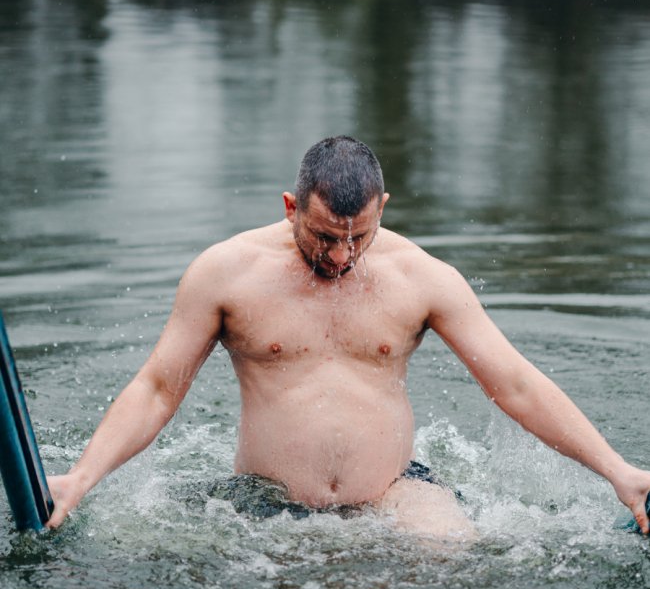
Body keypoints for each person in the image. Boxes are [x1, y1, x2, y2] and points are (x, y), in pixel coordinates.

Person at [46, 136, 650, 538]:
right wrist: (79, 480)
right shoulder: (226, 274)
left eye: (358, 237)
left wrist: (618, 472)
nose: (341, 256)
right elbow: (157, 388)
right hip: (267, 506)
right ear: (291, 207)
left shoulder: (422, 277)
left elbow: (515, 383)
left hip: (394, 491)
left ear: (382, 207)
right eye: (324, 236)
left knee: (450, 555)